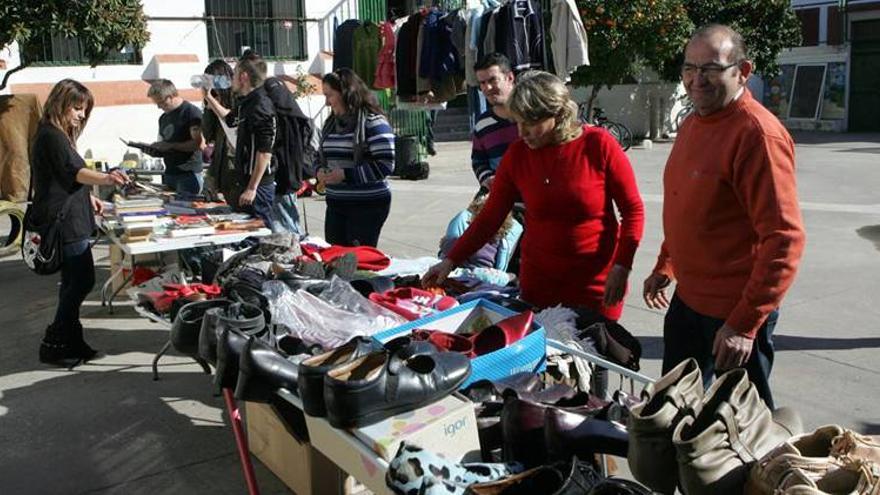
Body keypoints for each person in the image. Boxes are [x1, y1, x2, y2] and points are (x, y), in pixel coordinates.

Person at [642, 24, 806, 409]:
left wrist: (744, 324)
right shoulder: (693, 122)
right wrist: (667, 264)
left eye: (712, 68)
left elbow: (784, 240)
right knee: (674, 414)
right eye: (690, 68)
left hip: (733, 314)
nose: (697, 80)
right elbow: (689, 205)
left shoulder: (757, 135)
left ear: (742, 71)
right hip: (689, 303)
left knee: (742, 434)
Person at [423, 71, 644, 321]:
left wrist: (622, 266)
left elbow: (633, 210)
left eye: (530, 123)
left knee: (595, 353)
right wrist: (451, 260)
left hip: (596, 282)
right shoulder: (517, 155)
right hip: (539, 283)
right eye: (518, 122)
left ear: (558, 115)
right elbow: (490, 218)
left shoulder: (598, 144)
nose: (522, 132)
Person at [31, 79, 129, 365]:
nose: (81, 115)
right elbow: (74, 171)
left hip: (72, 217)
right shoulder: (51, 135)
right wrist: (107, 178)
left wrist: (89, 198)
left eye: (83, 110)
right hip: (64, 222)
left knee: (74, 283)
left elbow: (69, 176)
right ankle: (53, 341)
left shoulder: (59, 135)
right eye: (76, 108)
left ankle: (72, 340)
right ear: (61, 104)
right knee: (81, 280)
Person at [317, 68, 395, 247]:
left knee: (358, 262)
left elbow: (386, 164)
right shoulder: (330, 124)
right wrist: (319, 171)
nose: (327, 102)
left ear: (346, 94)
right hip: (336, 202)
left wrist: (346, 174)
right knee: (335, 258)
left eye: (330, 95)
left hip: (367, 204)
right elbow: (319, 155)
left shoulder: (373, 122)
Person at [204, 57, 278, 229]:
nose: (232, 79)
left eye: (235, 73)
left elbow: (265, 151)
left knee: (260, 232)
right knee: (246, 232)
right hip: (244, 181)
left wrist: (252, 187)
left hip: (258, 185)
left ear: (243, 76)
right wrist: (208, 97)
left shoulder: (261, 104)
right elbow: (229, 120)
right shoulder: (246, 102)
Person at [471, 53, 519, 196]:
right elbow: (478, 160)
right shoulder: (482, 125)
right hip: (500, 196)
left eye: (493, 80)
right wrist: (487, 178)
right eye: (482, 83)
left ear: (509, 78)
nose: (487, 87)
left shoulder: (532, 117)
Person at [147, 79, 204, 195]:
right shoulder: (163, 118)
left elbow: (199, 144)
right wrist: (155, 150)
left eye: (161, 102)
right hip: (170, 174)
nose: (159, 107)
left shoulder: (191, 113)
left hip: (188, 174)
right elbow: (165, 144)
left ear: (171, 96)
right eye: (156, 103)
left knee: (188, 210)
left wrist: (170, 145)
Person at [201, 59, 245, 207]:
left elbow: (232, 125)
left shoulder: (239, 102)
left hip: (239, 174)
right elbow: (208, 135)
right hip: (224, 173)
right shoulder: (212, 103)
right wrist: (209, 104)